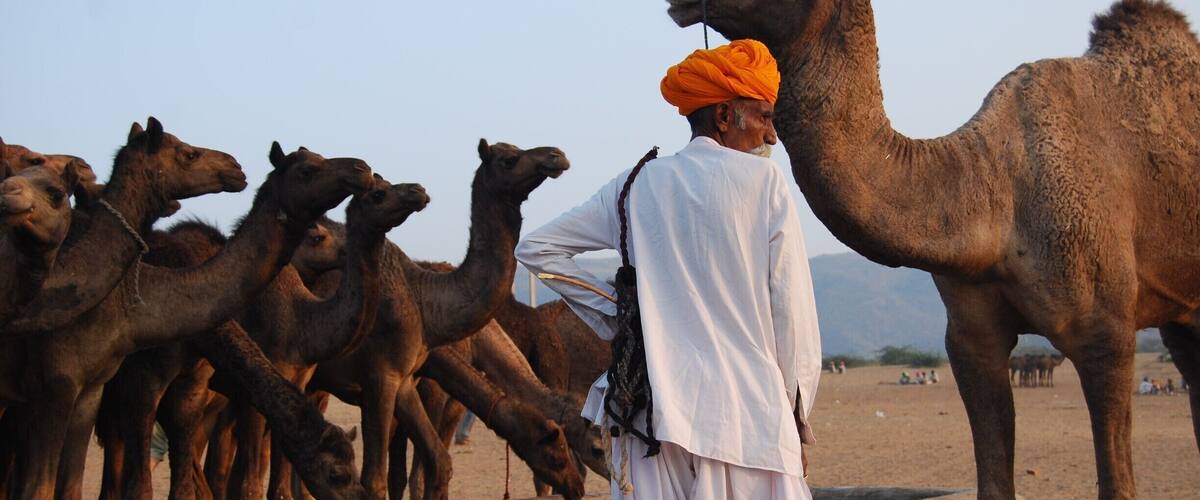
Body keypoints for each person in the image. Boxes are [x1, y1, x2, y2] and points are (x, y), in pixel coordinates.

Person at [516, 39, 821, 500]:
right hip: (748, 421)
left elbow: (537, 248)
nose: (771, 136)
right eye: (763, 117)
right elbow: (792, 314)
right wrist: (797, 420)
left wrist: (627, 313)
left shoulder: (636, 183)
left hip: (649, 419)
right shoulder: (767, 184)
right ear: (724, 116)